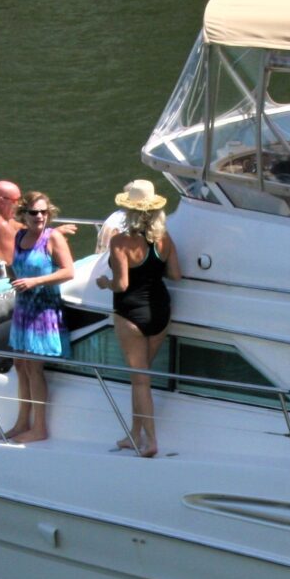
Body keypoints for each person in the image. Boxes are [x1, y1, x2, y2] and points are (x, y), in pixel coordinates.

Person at [98, 180, 180, 457]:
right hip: (161, 310)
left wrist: (104, 283)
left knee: (140, 379)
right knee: (141, 376)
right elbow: (176, 275)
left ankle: (151, 441)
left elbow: (121, 284)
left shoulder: (120, 241)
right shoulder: (164, 240)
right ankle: (134, 434)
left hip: (131, 313)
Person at [0, 191, 76, 443]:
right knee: (20, 365)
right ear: (24, 215)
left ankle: (39, 427)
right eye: (34, 212)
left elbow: (68, 271)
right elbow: (17, 265)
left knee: (34, 367)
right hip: (23, 306)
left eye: (44, 212)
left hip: (43, 308)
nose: (40, 216)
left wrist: (36, 281)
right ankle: (22, 421)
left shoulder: (52, 238)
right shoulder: (20, 235)